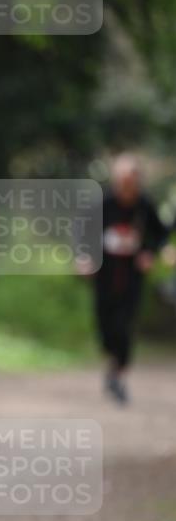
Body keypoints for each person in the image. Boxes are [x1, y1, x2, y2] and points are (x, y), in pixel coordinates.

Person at [78, 153, 169, 403]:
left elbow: (160, 234)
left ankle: (118, 373)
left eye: (130, 180)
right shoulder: (104, 203)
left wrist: (149, 253)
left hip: (131, 274)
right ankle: (112, 361)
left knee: (125, 322)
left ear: (137, 180)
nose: (126, 185)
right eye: (121, 180)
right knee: (106, 323)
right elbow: (82, 230)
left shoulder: (144, 205)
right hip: (104, 272)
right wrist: (84, 257)